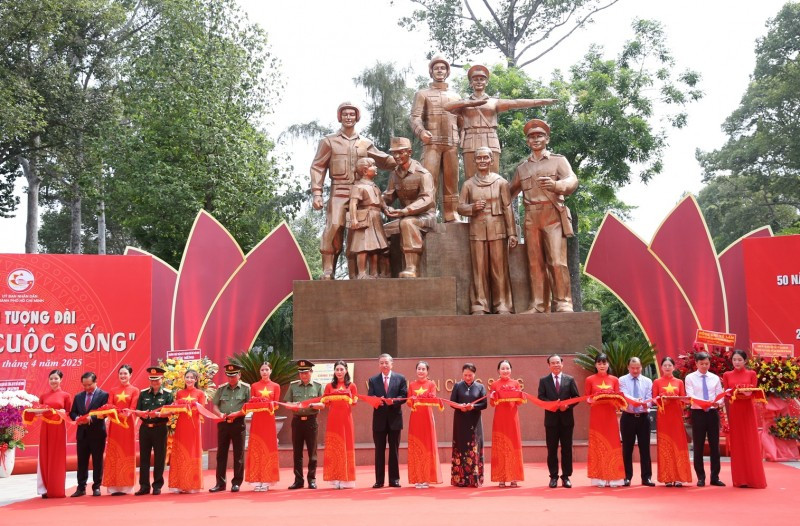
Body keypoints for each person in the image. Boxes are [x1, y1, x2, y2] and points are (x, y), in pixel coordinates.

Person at [310, 102, 396, 279]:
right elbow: (318, 167)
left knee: (359, 230)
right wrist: (317, 192)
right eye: (345, 114)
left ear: (357, 117)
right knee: (334, 227)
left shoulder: (365, 143)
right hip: (339, 191)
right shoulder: (329, 141)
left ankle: (356, 272)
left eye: (351, 114)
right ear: (339, 117)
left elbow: (383, 160)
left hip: (360, 192)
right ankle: (328, 269)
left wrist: (402, 160)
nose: (348, 117)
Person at [510, 119, 578, 313]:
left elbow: (572, 180)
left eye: (539, 136)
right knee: (535, 263)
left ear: (547, 138)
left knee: (557, 261)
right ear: (527, 142)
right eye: (531, 137)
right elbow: (508, 193)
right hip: (531, 217)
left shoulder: (558, 160)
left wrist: (557, 186)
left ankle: (563, 301)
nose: (535, 139)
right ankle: (539, 304)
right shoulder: (522, 168)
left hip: (553, 215)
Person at [443, 64, 557, 179]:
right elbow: (446, 107)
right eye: (475, 79)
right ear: (470, 83)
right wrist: (468, 103)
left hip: (490, 138)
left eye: (482, 79)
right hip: (470, 139)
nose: (479, 82)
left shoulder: (494, 102)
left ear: (486, 82)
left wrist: (542, 101)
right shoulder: (463, 103)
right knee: (471, 177)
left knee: (493, 177)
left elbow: (516, 103)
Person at [457, 147, 517, 314]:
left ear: (491, 160)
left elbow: (507, 208)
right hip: (477, 229)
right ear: (474, 161)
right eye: (479, 158)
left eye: (486, 158)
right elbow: (460, 207)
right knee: (479, 268)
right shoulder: (468, 184)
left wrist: (512, 233)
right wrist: (472, 207)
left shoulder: (501, 182)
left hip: (497, 228)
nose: (482, 161)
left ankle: (502, 304)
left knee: (499, 268)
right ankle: (479, 304)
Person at [409, 55, 462, 222]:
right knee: (428, 180)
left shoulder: (456, 96)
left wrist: (464, 136)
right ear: (431, 71)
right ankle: (428, 212)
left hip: (451, 143)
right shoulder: (422, 94)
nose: (440, 70)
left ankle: (451, 213)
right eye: (436, 68)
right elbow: (415, 117)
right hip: (431, 143)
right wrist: (421, 131)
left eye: (443, 68)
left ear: (447, 72)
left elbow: (462, 121)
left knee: (451, 182)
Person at [382, 137, 437, 278]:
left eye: (400, 152)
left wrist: (406, 211)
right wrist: (382, 205)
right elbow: (388, 196)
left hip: (425, 216)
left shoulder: (423, 174)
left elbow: (427, 199)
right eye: (394, 153)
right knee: (382, 230)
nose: (396, 156)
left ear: (409, 152)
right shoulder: (394, 174)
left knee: (407, 223)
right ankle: (384, 271)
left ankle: (412, 267)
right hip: (405, 215)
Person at [723, 349, 767, 488]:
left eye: (739, 360)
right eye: (734, 360)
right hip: (735, 410)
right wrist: (731, 394)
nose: (737, 362)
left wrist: (749, 393)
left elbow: (754, 391)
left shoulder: (751, 374)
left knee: (750, 441)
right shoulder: (727, 375)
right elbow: (726, 393)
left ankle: (754, 479)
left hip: (748, 410)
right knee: (737, 443)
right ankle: (740, 479)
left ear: (745, 361)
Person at [537, 354, 580, 488]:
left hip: (567, 420)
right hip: (551, 421)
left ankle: (566, 476)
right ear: (549, 365)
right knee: (552, 449)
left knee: (567, 449)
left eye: (558, 362)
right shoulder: (544, 381)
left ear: (562, 364)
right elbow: (541, 398)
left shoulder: (570, 379)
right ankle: (553, 476)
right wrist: (552, 404)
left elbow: (576, 397)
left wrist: (567, 406)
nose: (556, 365)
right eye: (553, 363)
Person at [684, 351, 725, 487]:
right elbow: (690, 396)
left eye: (707, 363)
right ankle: (700, 477)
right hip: (698, 413)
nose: (704, 366)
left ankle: (715, 477)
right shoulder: (690, 378)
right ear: (696, 363)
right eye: (701, 364)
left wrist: (718, 402)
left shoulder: (714, 378)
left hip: (712, 413)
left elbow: (720, 394)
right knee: (699, 446)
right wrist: (705, 402)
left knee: (715, 446)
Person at [367, 353, 407, 488]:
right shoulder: (373, 380)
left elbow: (404, 396)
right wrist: (378, 401)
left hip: (395, 419)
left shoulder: (400, 378)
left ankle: (394, 479)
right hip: (379, 420)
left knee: (394, 450)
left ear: (391, 364)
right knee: (379, 450)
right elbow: (370, 397)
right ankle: (379, 480)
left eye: (386, 362)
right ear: (379, 365)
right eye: (381, 363)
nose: (384, 365)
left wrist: (393, 402)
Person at [585, 354, 625, 487]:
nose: (602, 366)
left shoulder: (614, 380)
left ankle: (614, 477)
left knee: (613, 443)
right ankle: (600, 477)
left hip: (610, 416)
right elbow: (587, 398)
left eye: (604, 363)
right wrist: (594, 398)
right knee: (598, 444)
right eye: (599, 363)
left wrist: (614, 400)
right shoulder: (590, 379)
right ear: (595, 365)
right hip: (596, 416)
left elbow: (619, 396)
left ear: (608, 365)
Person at [209, 364, 250, 493]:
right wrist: (219, 414)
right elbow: (215, 406)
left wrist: (238, 413)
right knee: (221, 454)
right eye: (229, 376)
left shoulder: (246, 388)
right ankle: (220, 483)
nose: (231, 378)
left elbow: (249, 406)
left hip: (238, 423)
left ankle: (236, 482)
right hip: (224, 423)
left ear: (239, 375)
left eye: (234, 376)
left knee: (238, 454)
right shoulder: (221, 389)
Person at [133, 366, 174, 496]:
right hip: (145, 428)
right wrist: (142, 414)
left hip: (160, 427)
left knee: (159, 457)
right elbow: (137, 410)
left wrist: (159, 415)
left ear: (162, 379)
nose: (154, 382)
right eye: (152, 380)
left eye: (156, 380)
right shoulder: (143, 393)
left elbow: (171, 411)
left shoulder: (168, 394)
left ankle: (157, 485)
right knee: (144, 458)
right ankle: (144, 486)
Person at [652, 357, 692, 487]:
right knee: (665, 445)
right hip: (663, 417)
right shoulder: (657, 382)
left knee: (678, 444)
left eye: (670, 365)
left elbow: (683, 400)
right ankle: (667, 477)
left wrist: (682, 400)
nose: (667, 367)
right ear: (662, 367)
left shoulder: (679, 382)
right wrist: (661, 399)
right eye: (665, 365)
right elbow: (654, 400)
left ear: (674, 367)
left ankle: (680, 477)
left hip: (676, 417)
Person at [285, 359, 324, 489]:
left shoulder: (318, 386)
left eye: (306, 372)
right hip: (297, 421)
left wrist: (313, 405)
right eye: (301, 373)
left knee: (312, 452)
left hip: (311, 421)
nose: (303, 375)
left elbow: (323, 404)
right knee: (297, 452)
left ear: (311, 372)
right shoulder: (293, 385)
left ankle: (312, 479)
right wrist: (293, 406)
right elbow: (287, 403)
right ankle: (298, 480)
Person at [349, 157, 390, 278]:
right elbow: (353, 203)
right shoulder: (358, 186)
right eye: (373, 165)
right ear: (365, 170)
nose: (376, 167)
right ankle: (362, 273)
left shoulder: (374, 186)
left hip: (376, 217)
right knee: (363, 246)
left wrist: (386, 209)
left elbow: (381, 201)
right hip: (365, 218)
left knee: (375, 247)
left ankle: (374, 272)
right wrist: (354, 219)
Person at [69, 371, 109, 497]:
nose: (87, 388)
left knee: (97, 461)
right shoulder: (78, 396)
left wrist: (91, 419)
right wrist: (77, 419)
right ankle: (81, 487)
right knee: (82, 462)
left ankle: (96, 486)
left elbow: (106, 412)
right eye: (84, 385)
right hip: (82, 434)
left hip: (97, 433)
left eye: (89, 385)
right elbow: (73, 412)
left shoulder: (103, 395)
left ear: (95, 382)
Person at [103, 364, 140, 495]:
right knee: (114, 451)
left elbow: (133, 407)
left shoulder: (135, 390)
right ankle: (113, 486)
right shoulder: (113, 390)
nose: (123, 376)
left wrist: (124, 414)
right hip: (115, 425)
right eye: (121, 374)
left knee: (127, 451)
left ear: (130, 375)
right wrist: (115, 414)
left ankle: (126, 485)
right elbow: (110, 405)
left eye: (125, 374)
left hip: (127, 425)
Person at [450, 363, 487, 487]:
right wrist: (460, 406)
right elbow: (452, 402)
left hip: (474, 421)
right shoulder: (457, 386)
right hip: (460, 420)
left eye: (470, 375)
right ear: (462, 374)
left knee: (474, 448)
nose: (467, 377)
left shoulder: (480, 387)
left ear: (474, 374)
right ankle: (460, 479)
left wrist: (473, 406)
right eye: (465, 375)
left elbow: (484, 404)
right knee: (461, 448)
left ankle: (475, 479)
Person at [168, 369, 206, 493]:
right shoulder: (179, 393)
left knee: (191, 451)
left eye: (192, 377)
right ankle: (179, 484)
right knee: (180, 452)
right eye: (187, 377)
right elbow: (176, 409)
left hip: (193, 426)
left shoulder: (200, 393)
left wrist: (191, 407)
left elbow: (202, 410)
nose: (189, 379)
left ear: (196, 380)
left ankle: (192, 484)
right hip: (181, 425)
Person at [618, 357, 654, 487]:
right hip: (628, 416)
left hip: (643, 417)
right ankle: (626, 477)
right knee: (627, 448)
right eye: (632, 368)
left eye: (638, 368)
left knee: (645, 448)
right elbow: (624, 395)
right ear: (628, 367)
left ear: (641, 367)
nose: (635, 370)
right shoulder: (622, 380)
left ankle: (647, 477)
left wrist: (646, 404)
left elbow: (650, 397)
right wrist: (635, 400)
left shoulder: (648, 381)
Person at [245, 362, 281, 492]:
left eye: (266, 370)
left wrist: (268, 405)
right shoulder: (254, 386)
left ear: (270, 371)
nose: (264, 372)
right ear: (259, 372)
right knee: (256, 447)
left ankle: (267, 479)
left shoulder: (276, 386)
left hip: (269, 420)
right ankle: (256, 480)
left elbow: (276, 405)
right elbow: (251, 402)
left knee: (268, 447)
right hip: (257, 420)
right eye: (262, 370)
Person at [322, 360, 358, 489]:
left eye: (341, 369)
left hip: (346, 419)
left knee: (346, 444)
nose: (339, 372)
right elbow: (325, 402)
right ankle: (336, 477)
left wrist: (348, 397)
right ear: (334, 371)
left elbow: (354, 402)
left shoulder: (352, 386)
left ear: (346, 370)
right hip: (333, 419)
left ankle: (347, 478)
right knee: (335, 445)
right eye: (337, 369)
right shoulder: (329, 386)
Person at [407, 361, 442, 488]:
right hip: (415, 418)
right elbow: (408, 402)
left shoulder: (431, 384)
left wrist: (423, 398)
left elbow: (433, 399)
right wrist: (412, 400)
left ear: (427, 371)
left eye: (423, 369)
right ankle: (417, 477)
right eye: (419, 369)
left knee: (427, 446)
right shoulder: (411, 384)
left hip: (427, 417)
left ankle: (426, 477)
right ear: (416, 370)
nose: (421, 371)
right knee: (416, 447)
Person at [37, 369, 71, 498]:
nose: (53, 381)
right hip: (45, 428)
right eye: (51, 378)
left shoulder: (66, 396)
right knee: (45, 455)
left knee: (57, 457)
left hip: (58, 428)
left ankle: (56, 489)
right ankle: (44, 489)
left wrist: (60, 412)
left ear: (61, 380)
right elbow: (39, 410)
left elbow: (68, 413)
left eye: (56, 378)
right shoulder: (43, 396)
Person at [489, 360, 524, 487]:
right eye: (503, 368)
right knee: (500, 446)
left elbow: (519, 402)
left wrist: (520, 394)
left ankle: (514, 477)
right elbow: (492, 404)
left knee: (513, 444)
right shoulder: (494, 384)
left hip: (512, 418)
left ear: (511, 370)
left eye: (507, 368)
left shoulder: (515, 383)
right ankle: (501, 477)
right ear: (498, 370)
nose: (505, 370)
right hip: (499, 418)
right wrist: (493, 397)